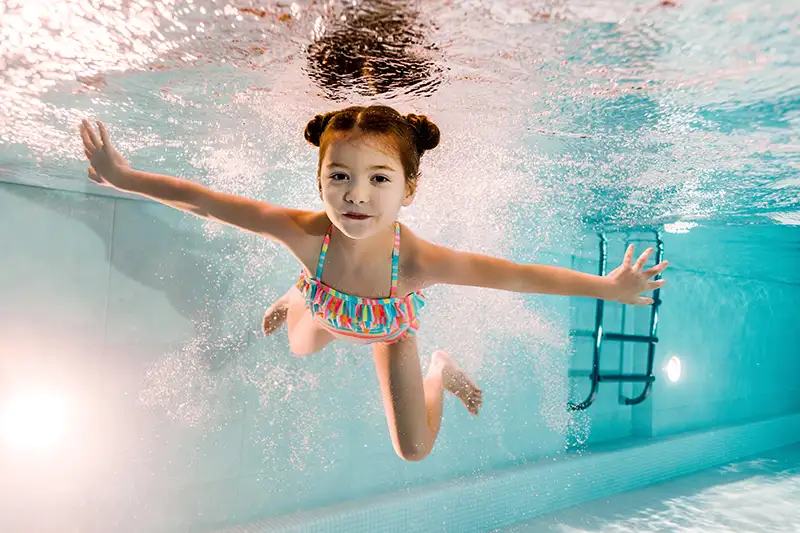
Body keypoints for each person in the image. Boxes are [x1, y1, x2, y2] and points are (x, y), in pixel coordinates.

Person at [78, 105, 668, 462]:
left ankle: (440, 369)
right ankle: (297, 294)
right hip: (324, 301)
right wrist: (122, 176)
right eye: (340, 176)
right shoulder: (306, 234)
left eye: (379, 178)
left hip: (388, 334)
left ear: (409, 188)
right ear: (319, 182)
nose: (356, 194)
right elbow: (205, 203)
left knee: (413, 449)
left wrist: (605, 287)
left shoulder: (413, 260)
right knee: (299, 343)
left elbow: (513, 275)